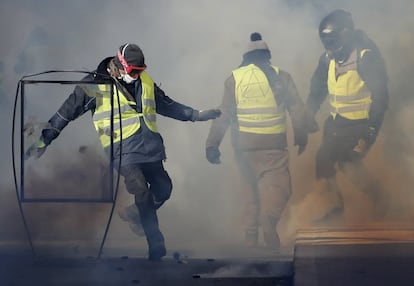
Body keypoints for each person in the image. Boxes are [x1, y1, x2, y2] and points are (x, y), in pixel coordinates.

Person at [25, 43, 221, 261]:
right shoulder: (93, 86)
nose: (137, 76)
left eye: (140, 71)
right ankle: (155, 242)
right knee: (142, 192)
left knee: (164, 189)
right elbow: (65, 114)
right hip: (123, 152)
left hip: (150, 148)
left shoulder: (145, 81)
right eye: (133, 72)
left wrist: (196, 115)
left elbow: (167, 105)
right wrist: (43, 142)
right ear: (119, 65)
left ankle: (133, 214)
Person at [205, 33, 309, 251]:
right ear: (267, 55)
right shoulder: (282, 77)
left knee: (248, 190)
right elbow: (297, 109)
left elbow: (223, 114)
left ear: (245, 57)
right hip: (274, 148)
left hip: (244, 148)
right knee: (280, 188)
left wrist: (212, 145)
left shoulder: (234, 78)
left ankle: (250, 237)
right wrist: (301, 134)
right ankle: (269, 220)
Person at [305, 9, 389, 222]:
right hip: (337, 123)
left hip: (362, 124)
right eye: (326, 42)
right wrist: (309, 113)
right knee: (323, 161)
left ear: (346, 34)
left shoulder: (366, 56)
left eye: (333, 41)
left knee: (348, 161)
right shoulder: (327, 59)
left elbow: (381, 97)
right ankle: (333, 209)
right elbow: (317, 90)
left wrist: (370, 133)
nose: (330, 48)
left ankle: (380, 197)